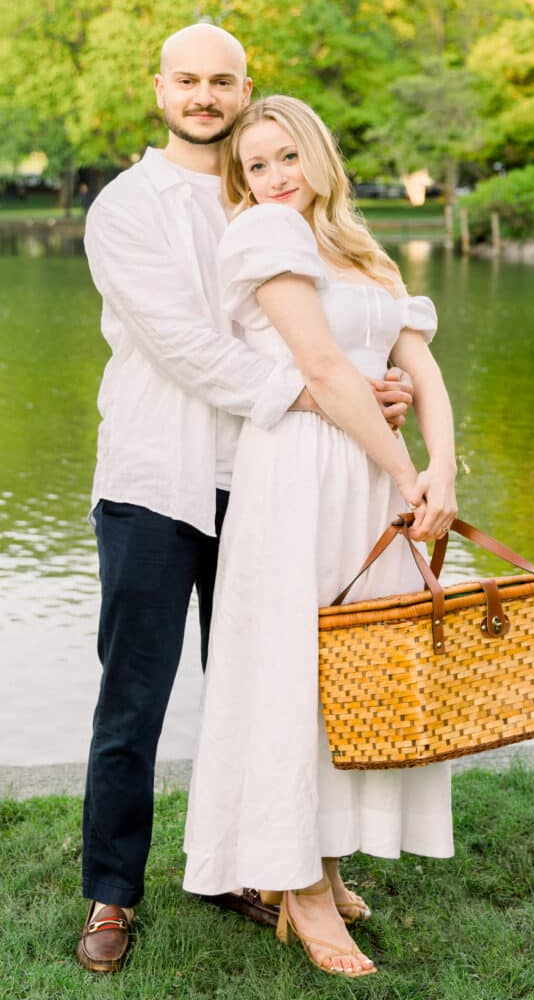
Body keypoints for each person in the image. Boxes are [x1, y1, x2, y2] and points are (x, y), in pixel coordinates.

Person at [76, 25, 412, 974]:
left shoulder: (268, 192)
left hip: (274, 483)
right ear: (160, 89)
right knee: (132, 699)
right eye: (187, 79)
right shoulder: (126, 207)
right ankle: (112, 893)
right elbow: (186, 345)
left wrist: (367, 381)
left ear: (245, 87)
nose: (204, 95)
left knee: (276, 691)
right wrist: (324, 393)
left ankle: (257, 865)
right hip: (160, 475)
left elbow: (332, 318)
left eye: (222, 80)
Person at [182, 95, 458, 978]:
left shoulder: (358, 248)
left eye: (284, 157)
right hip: (303, 473)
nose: (272, 178)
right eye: (253, 166)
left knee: (358, 675)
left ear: (318, 156)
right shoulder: (263, 240)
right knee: (298, 671)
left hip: (372, 473)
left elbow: (416, 361)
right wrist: (402, 469)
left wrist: (441, 468)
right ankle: (295, 889)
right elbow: (324, 369)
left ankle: (327, 856)